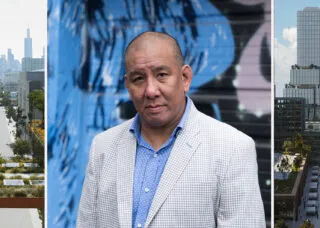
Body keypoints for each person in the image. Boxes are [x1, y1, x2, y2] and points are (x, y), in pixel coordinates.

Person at [77, 31, 266, 227]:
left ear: (185, 78)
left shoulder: (232, 148)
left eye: (161, 75)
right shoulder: (103, 146)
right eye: (138, 78)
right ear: (128, 85)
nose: (150, 91)